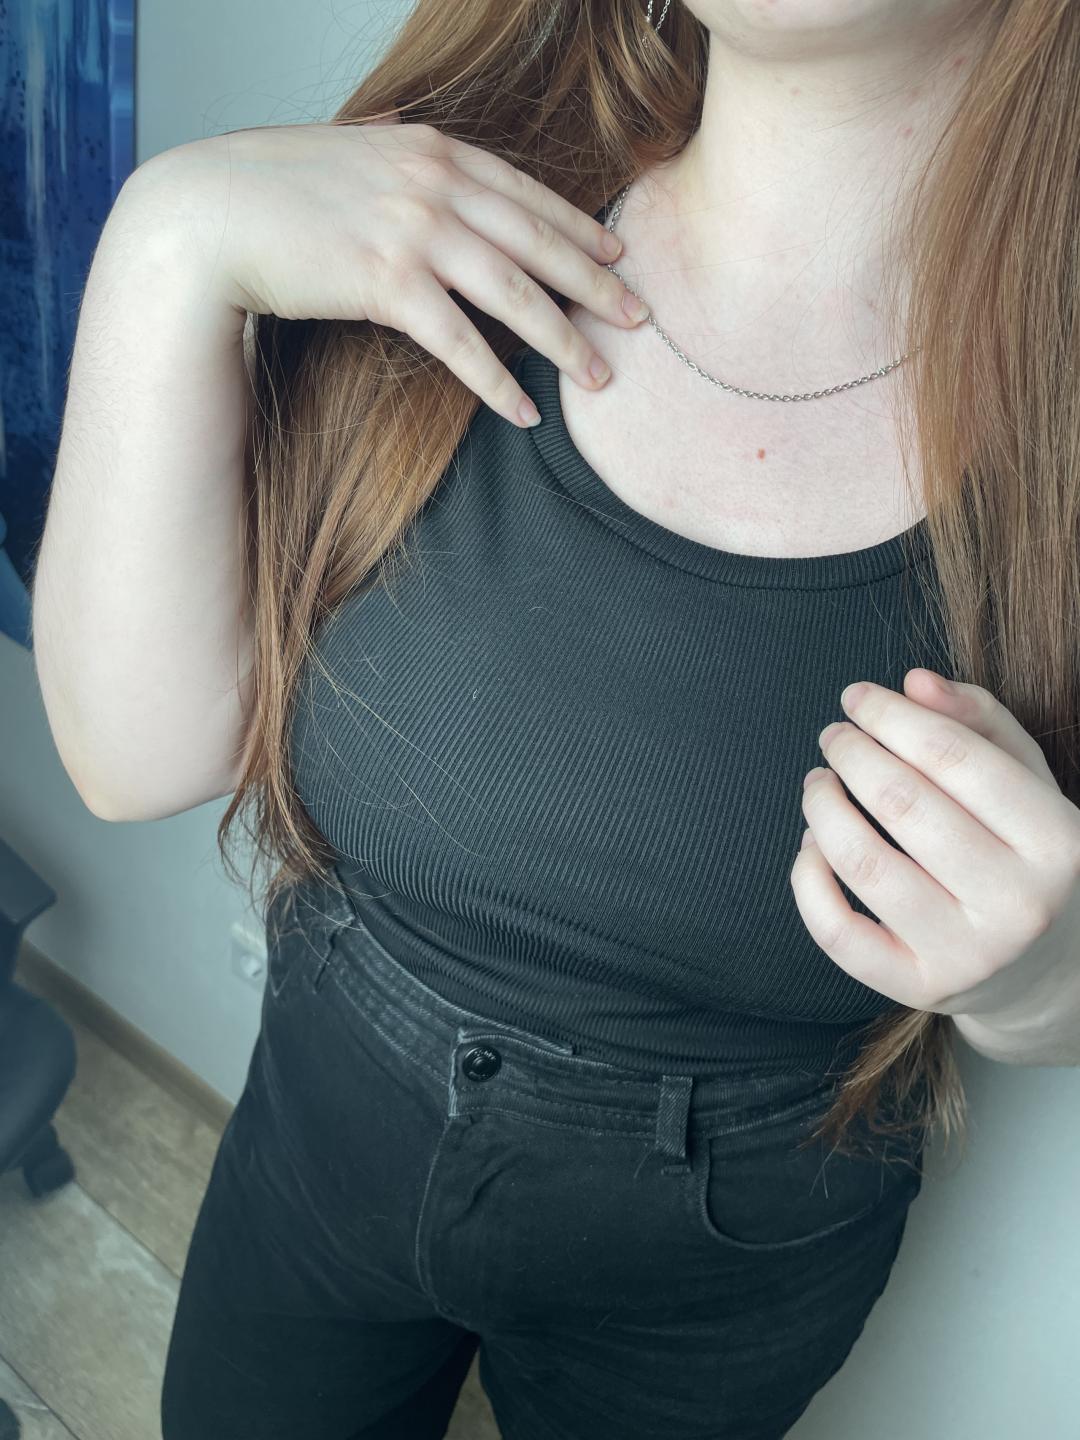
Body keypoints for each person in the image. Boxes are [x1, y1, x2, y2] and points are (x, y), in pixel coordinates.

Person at [32, 0, 1079, 1435]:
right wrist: (168, 244)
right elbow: (135, 757)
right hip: (322, 1125)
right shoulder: (420, 221)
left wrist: (1040, 977)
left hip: (731, 1263)